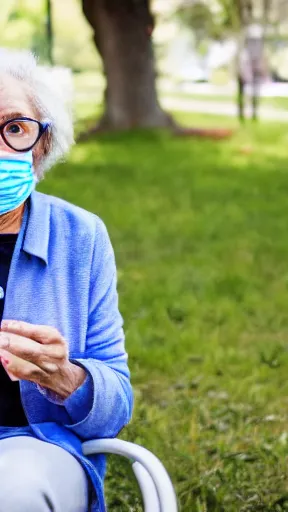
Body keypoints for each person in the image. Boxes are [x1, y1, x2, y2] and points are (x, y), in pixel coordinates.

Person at [0, 48, 133, 511]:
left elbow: (116, 406)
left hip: (29, 451)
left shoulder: (80, 237)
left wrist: (65, 378)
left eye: (14, 128)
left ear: (41, 144)